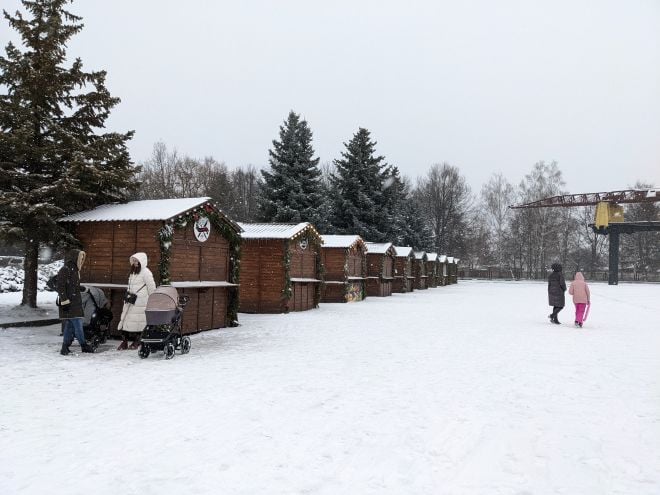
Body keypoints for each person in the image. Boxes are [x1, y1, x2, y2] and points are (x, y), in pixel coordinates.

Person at [117, 252, 156, 350]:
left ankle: (137, 341)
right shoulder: (133, 272)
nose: (135, 262)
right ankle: (124, 342)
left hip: (141, 302)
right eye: (133, 261)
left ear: (141, 261)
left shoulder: (146, 272)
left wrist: (151, 301)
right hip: (130, 301)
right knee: (126, 321)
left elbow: (152, 288)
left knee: (139, 323)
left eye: (136, 260)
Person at [57, 248, 93, 355]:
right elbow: (61, 286)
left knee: (70, 325)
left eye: (82, 258)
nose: (81, 260)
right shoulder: (66, 269)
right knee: (77, 324)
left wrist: (81, 288)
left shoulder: (75, 270)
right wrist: (65, 301)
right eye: (80, 257)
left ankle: (65, 347)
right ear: (75, 258)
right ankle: (83, 345)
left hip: (74, 302)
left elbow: (71, 285)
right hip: (69, 302)